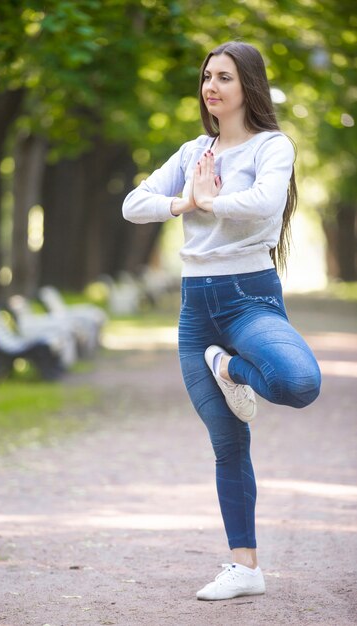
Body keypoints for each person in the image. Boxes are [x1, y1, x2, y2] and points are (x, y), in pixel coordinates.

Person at [122, 41, 321, 601]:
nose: (212, 86)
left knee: (299, 382)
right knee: (228, 445)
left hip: (248, 299)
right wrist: (186, 201)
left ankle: (228, 367)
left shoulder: (271, 146)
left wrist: (211, 203)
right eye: (207, 76)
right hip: (196, 310)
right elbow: (134, 205)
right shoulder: (191, 153)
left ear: (248, 86)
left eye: (225, 77)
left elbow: (264, 203)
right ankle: (245, 567)